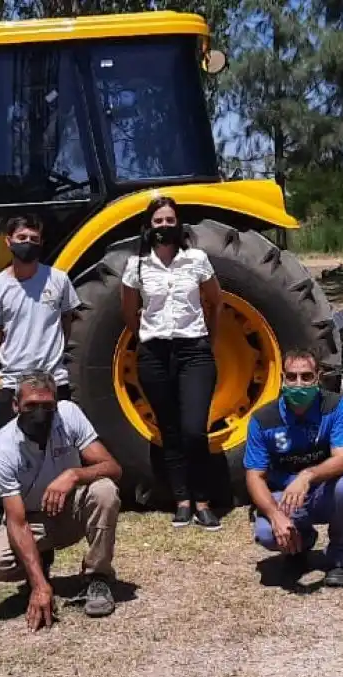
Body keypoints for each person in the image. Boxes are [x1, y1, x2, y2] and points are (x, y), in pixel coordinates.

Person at [0, 370, 122, 630]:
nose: (40, 413)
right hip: (32, 520)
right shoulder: (2, 447)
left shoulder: (69, 415)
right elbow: (17, 523)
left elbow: (113, 468)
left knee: (105, 490)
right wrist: (41, 587)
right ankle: (39, 568)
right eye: (31, 406)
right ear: (16, 405)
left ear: (55, 403)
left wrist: (74, 474)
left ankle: (98, 577)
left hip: (70, 510)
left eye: (47, 406)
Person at [120, 196, 224, 530]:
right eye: (158, 221)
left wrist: (211, 338)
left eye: (169, 220)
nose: (164, 226)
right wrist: (145, 337)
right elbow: (128, 310)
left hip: (194, 350)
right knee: (170, 430)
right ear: (149, 227)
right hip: (154, 354)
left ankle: (204, 500)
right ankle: (181, 501)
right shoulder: (136, 266)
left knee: (195, 429)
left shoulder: (196, 260)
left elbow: (215, 300)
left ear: (178, 224)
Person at [0, 215, 81, 533]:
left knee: (62, 445)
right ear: (8, 241)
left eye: (34, 239)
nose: (28, 244)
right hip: (14, 382)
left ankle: (69, 508)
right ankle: (0, 519)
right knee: (4, 448)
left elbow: (67, 322)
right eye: (22, 238)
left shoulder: (59, 280)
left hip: (54, 381)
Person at [243, 349, 343, 587]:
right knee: (267, 532)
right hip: (284, 496)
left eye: (306, 377)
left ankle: (342, 558)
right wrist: (276, 515)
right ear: (282, 378)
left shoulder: (336, 406)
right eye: (292, 377)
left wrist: (307, 475)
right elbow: (254, 475)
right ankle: (299, 546)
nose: (299, 384)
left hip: (322, 490)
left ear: (318, 377)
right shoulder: (262, 419)